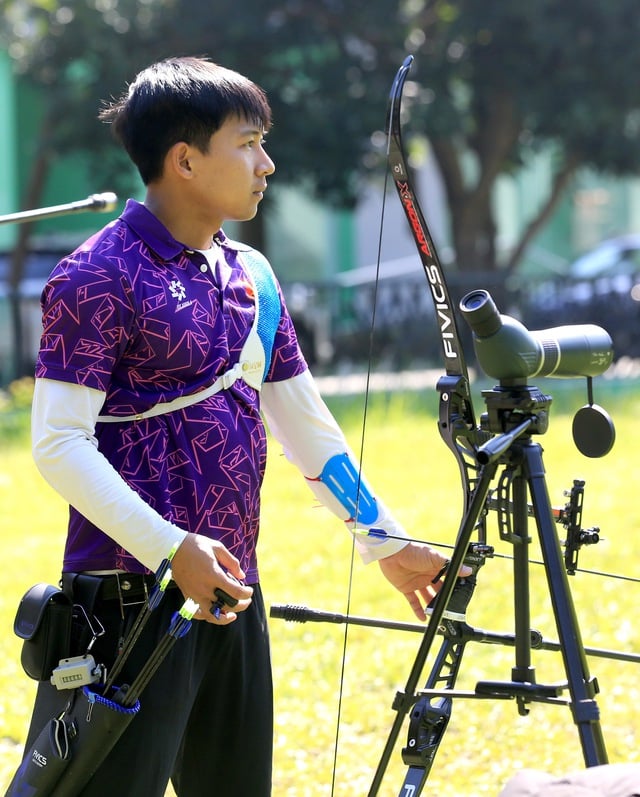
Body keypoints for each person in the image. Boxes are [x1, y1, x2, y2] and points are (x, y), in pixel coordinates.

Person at [21, 56, 466, 796]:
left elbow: (305, 426)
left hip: (231, 598)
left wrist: (384, 540)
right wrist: (172, 551)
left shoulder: (252, 275)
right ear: (186, 159)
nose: (267, 162)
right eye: (249, 142)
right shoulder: (97, 275)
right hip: (128, 607)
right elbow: (58, 443)